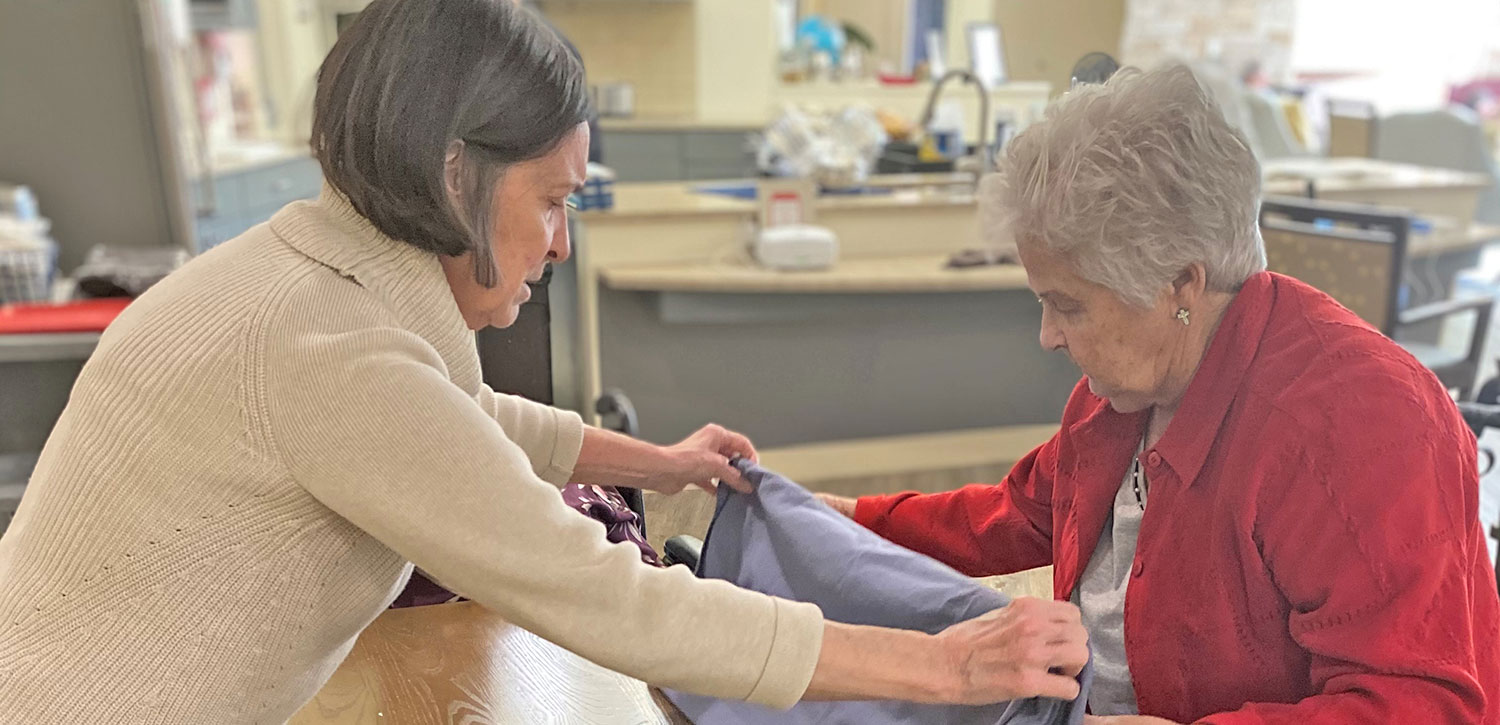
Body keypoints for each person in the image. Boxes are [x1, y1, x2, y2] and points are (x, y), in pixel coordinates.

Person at [0, 0, 1091, 721]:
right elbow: (609, 598)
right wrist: (943, 664)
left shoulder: (309, 271)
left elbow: (461, 414)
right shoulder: (337, 359)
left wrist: (652, 460)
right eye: (554, 200)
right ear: (454, 175)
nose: (561, 242)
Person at [819, 65, 1500, 724]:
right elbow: (1021, 515)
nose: (1048, 336)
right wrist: (841, 521)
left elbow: (1423, 705)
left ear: (1179, 285)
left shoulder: (1356, 425)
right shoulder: (1127, 388)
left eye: (1069, 306)